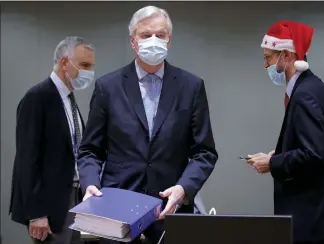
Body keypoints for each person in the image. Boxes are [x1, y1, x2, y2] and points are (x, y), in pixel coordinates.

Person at [77, 5, 218, 244]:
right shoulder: (108, 87)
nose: (154, 40)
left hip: (170, 210)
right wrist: (89, 183)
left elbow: (204, 152)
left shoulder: (191, 86)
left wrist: (184, 188)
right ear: (133, 41)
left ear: (169, 40)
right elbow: (90, 150)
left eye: (160, 35)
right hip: (117, 211)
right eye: (145, 35)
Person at [247, 20, 324, 244]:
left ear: (287, 56)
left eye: (268, 58)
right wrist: (277, 155)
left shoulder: (305, 95)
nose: (265, 65)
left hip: (311, 222)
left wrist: (273, 163)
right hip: (323, 219)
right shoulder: (317, 89)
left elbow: (314, 153)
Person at [9, 36, 96, 244]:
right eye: (84, 65)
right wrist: (36, 213)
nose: (89, 72)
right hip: (50, 204)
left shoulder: (69, 99)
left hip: (75, 197)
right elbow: (27, 160)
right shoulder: (38, 97)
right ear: (65, 63)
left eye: (91, 66)